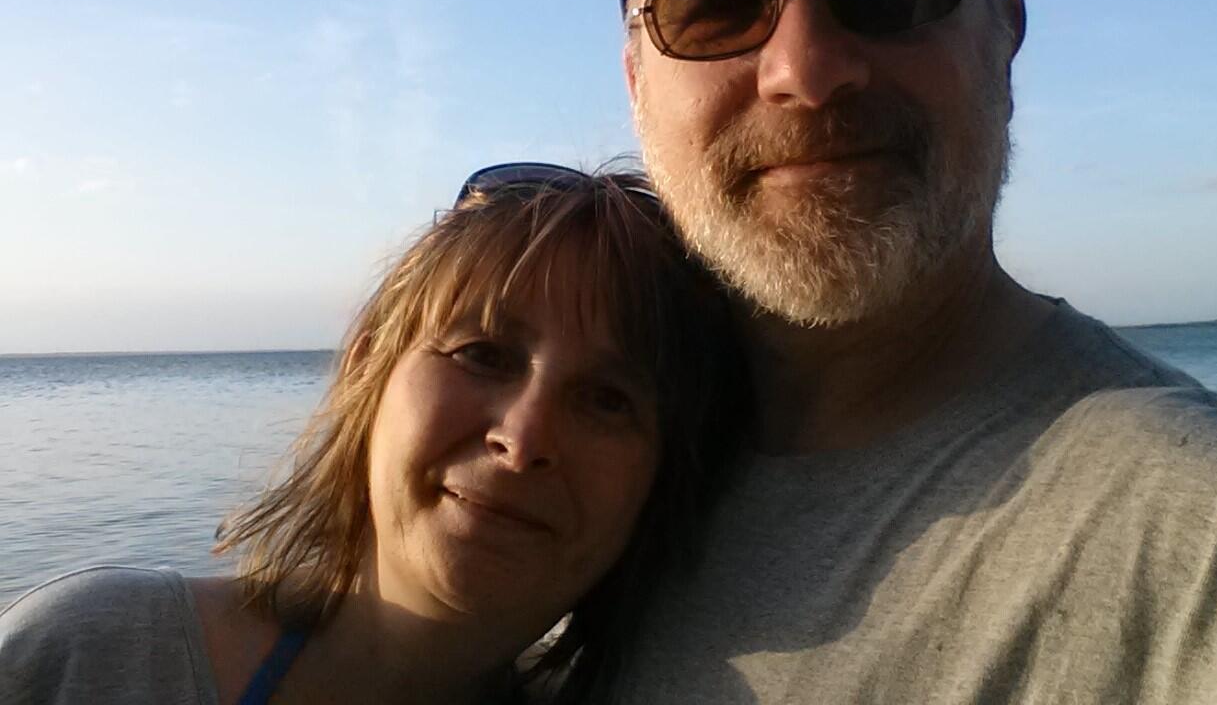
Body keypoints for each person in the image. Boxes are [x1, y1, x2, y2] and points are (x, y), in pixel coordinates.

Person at [597, 0, 1217, 703]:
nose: (808, 69)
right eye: (712, 8)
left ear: (1004, 40)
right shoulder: (576, 483)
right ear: (636, 82)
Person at [0, 166, 748, 705]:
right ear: (368, 365)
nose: (522, 440)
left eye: (608, 401)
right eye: (482, 355)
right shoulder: (96, 658)